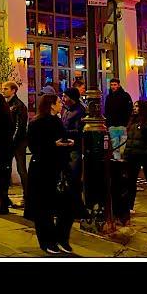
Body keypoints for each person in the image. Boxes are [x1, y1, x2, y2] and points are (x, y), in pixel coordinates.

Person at [23, 94, 75, 255]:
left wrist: (68, 143)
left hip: (60, 169)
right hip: (43, 170)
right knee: (43, 209)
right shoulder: (37, 123)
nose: (61, 104)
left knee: (67, 207)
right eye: (59, 102)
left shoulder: (57, 120)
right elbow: (34, 146)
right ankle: (47, 242)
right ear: (51, 105)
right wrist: (54, 144)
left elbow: (61, 139)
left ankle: (61, 238)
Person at [0, 81, 29, 207]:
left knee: (21, 168)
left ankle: (27, 196)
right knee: (5, 168)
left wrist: (12, 141)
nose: (3, 91)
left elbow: (19, 126)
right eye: (3, 89)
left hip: (18, 142)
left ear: (13, 91)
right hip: (9, 141)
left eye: (6, 89)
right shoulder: (7, 105)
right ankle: (1, 194)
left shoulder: (18, 105)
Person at [61, 87, 86, 217]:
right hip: (65, 146)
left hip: (74, 148)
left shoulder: (80, 111)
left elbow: (79, 131)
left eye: (65, 96)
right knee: (67, 179)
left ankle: (78, 209)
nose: (63, 99)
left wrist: (63, 132)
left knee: (74, 179)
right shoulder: (66, 110)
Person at [104, 78, 133, 161]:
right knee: (115, 145)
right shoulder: (109, 97)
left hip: (123, 124)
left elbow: (129, 110)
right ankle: (117, 162)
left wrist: (127, 122)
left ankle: (122, 161)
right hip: (113, 125)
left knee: (123, 145)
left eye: (115, 85)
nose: (113, 86)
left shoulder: (125, 96)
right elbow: (107, 111)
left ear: (119, 85)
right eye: (112, 85)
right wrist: (108, 123)